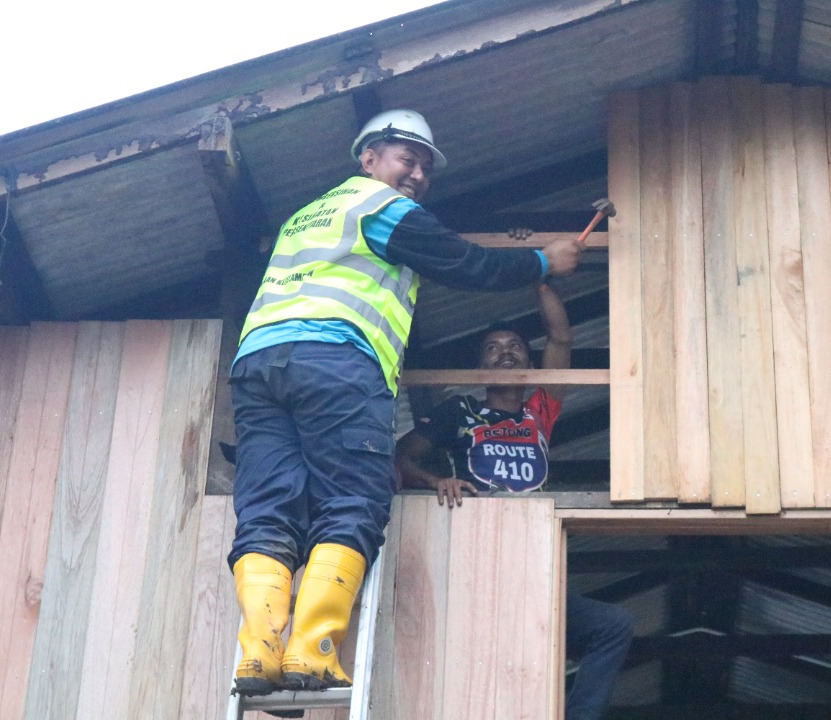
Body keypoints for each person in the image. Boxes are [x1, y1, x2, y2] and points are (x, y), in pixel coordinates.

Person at [227, 108, 584, 697]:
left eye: (424, 167)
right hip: (335, 362)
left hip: (259, 366)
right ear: (368, 159)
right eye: (406, 159)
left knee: (267, 509)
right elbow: (467, 263)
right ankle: (313, 652)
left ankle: (259, 653)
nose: (416, 174)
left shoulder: (305, 216)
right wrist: (545, 261)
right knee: (354, 502)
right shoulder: (379, 207)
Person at [396, 282, 634, 720]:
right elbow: (400, 458)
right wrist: (435, 482)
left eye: (515, 347)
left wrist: (537, 275)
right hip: (476, 556)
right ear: (480, 365)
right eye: (492, 348)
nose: (505, 352)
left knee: (612, 625)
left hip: (533, 562)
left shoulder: (539, 411)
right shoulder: (459, 411)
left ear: (528, 361)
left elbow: (561, 338)